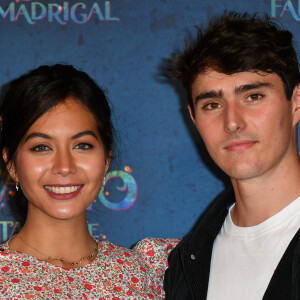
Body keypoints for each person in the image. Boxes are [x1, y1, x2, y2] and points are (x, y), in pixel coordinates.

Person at [0, 64, 179, 299]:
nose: (64, 166)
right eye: (41, 147)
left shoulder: (149, 273)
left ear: (106, 159)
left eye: (82, 145)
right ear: (11, 164)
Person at [163, 12, 300, 299]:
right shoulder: (185, 262)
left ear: (296, 103)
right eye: (212, 104)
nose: (232, 122)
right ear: (193, 118)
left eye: (253, 97)